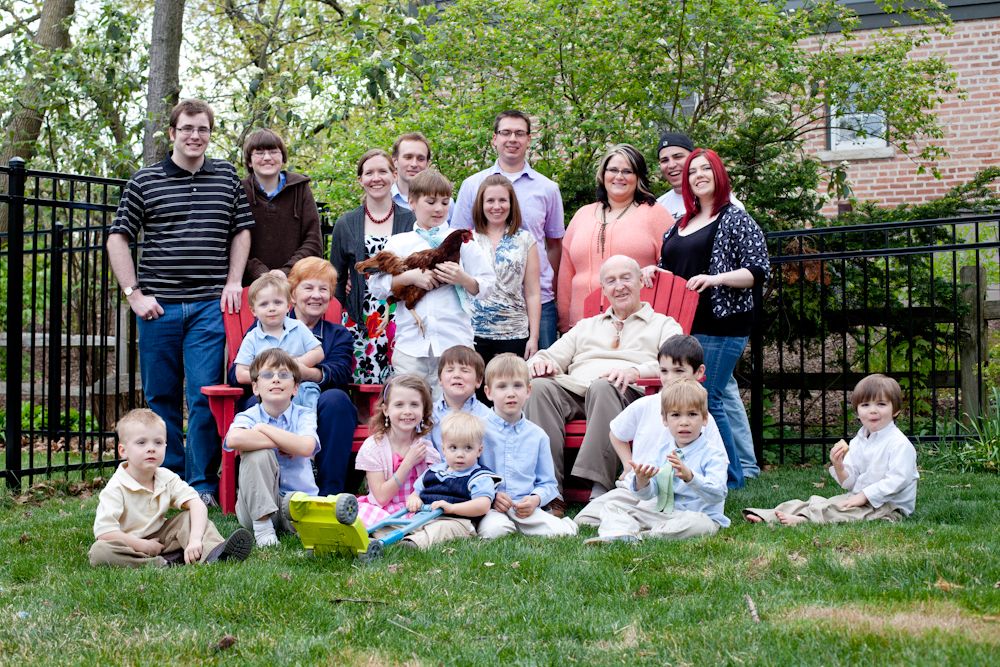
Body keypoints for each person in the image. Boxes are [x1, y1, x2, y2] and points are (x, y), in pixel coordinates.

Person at [106, 98, 255, 506]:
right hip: (159, 308)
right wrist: (133, 294)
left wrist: (234, 281)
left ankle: (201, 485)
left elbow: (241, 230)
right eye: (187, 128)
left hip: (210, 306)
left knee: (205, 397)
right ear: (172, 133)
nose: (195, 136)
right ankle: (166, 481)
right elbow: (118, 237)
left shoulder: (225, 177)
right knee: (161, 397)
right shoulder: (145, 181)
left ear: (210, 133)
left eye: (202, 129)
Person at [642, 148, 770, 489]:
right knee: (696, 399)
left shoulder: (735, 218)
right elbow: (676, 269)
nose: (698, 175)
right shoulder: (681, 224)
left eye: (706, 169)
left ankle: (730, 478)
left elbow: (758, 271)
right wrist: (656, 271)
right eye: (692, 171)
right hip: (685, 325)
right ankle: (711, 472)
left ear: (718, 175)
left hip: (721, 324)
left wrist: (716, 278)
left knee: (708, 398)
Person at [523, 255, 682, 515]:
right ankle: (550, 491)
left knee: (603, 385)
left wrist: (635, 371)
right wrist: (540, 363)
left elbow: (678, 362)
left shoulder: (662, 325)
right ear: (604, 289)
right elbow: (549, 355)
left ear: (641, 280)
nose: (619, 286)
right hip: (575, 390)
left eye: (626, 278)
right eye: (611, 281)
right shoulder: (586, 326)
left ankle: (598, 486)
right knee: (539, 388)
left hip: (626, 394)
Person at [574, 335, 727, 527]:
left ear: (699, 372)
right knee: (585, 520)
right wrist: (628, 465)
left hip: (684, 499)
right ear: (665, 419)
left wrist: (690, 477)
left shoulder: (703, 419)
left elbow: (717, 471)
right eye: (664, 371)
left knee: (693, 523)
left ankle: (636, 525)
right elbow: (616, 433)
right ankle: (636, 521)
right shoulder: (645, 405)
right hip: (641, 489)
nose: (670, 378)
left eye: (679, 371)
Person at [367, 169, 495, 398]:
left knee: (454, 410)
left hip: (454, 341)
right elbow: (376, 287)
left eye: (445, 202)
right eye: (431, 201)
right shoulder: (399, 242)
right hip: (411, 346)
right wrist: (409, 278)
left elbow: (488, 285)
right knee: (411, 405)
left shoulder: (462, 240)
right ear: (412, 202)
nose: (439, 209)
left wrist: (463, 279)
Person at [452, 110, 564, 350]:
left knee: (538, 377)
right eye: (506, 133)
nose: (512, 138)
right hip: (481, 305)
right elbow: (456, 242)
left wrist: (548, 285)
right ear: (494, 139)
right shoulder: (472, 186)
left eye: (519, 133)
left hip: (538, 300)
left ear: (529, 139)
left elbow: (554, 245)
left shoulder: (548, 189)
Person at [744, 374, 918, 525]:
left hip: (889, 506)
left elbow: (897, 480)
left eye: (881, 404)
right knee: (818, 502)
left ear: (895, 410)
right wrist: (839, 466)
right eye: (865, 405)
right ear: (857, 411)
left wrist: (864, 495)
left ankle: (805, 522)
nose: (872, 411)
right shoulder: (859, 441)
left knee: (841, 511)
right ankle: (769, 514)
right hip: (860, 498)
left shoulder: (899, 444)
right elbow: (849, 483)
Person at [89, 409, 253, 567]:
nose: (151, 448)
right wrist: (142, 545)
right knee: (100, 551)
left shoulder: (166, 477)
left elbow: (197, 504)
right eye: (141, 442)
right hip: (129, 545)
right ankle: (159, 564)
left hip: (162, 539)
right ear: (123, 451)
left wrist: (195, 539)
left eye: (158, 442)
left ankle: (214, 552)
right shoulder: (116, 487)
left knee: (189, 518)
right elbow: (105, 533)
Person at [583, 380, 729, 544]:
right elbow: (649, 494)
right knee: (613, 507)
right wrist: (642, 482)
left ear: (704, 419)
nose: (684, 422)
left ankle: (644, 535)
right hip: (663, 513)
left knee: (700, 525)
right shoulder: (662, 451)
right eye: (675, 415)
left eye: (692, 414)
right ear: (665, 420)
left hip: (697, 515)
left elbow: (718, 493)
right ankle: (620, 533)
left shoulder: (713, 454)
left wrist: (691, 478)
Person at [557, 144, 672, 332]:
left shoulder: (655, 214)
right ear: (603, 174)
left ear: (638, 178)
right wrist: (564, 322)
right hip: (581, 326)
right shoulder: (582, 215)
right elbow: (566, 274)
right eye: (613, 170)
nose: (619, 177)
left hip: (636, 326)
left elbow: (675, 266)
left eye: (627, 171)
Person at [330, 149, 416, 384]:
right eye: (369, 173)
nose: (376, 178)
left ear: (394, 174)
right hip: (359, 318)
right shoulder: (346, 223)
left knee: (403, 386)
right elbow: (335, 276)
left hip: (401, 318)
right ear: (360, 180)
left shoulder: (411, 220)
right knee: (361, 388)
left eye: (382, 171)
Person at [224, 349, 321, 547]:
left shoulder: (304, 414)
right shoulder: (249, 415)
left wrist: (264, 429)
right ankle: (263, 529)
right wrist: (283, 442)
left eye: (284, 375)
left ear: (295, 388)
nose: (276, 379)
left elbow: (306, 447)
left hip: (293, 501)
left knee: (305, 510)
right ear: (256, 388)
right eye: (267, 375)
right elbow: (233, 439)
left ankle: (287, 525)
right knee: (258, 454)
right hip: (253, 508)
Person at [478, 354, 578, 539]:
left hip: (525, 508)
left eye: (517, 385)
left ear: (528, 390)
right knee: (496, 531)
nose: (511, 393)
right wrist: (491, 495)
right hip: (492, 507)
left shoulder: (538, 436)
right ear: (488, 392)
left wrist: (535, 499)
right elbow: (468, 474)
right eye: (502, 386)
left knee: (563, 533)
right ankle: (503, 525)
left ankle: (548, 522)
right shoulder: (478, 431)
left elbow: (548, 483)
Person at [285, 257, 358, 495]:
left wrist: (299, 371)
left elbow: (340, 371)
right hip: (277, 401)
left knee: (337, 400)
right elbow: (240, 370)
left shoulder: (338, 335)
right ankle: (272, 492)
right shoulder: (268, 325)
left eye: (323, 289)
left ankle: (329, 495)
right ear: (293, 294)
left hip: (322, 404)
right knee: (257, 404)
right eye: (308, 287)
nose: (316, 295)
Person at [470, 174, 541, 366]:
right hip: (474, 332)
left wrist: (533, 337)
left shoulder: (525, 240)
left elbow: (533, 292)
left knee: (509, 392)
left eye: (503, 200)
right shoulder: (468, 239)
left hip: (514, 332)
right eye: (490, 200)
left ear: (511, 204)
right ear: (481, 204)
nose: (496, 206)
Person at [354, 374, 440, 527]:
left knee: (437, 520)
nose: (407, 411)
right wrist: (408, 463)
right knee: (366, 517)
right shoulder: (374, 447)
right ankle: (397, 530)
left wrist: (417, 496)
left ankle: (402, 531)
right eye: (399, 405)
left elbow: (432, 489)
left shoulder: (425, 449)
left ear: (423, 409)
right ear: (386, 410)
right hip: (382, 509)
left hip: (414, 508)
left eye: (414, 405)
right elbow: (381, 497)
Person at [402, 412, 498, 549]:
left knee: (441, 529)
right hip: (425, 517)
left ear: (479, 450)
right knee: (403, 523)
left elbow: (483, 505)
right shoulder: (432, 471)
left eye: (468, 448)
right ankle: (379, 535)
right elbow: (416, 491)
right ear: (443, 449)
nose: (460, 454)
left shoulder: (480, 477)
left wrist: (452, 508)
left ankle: (413, 543)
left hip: (458, 522)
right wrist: (414, 498)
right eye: (453, 448)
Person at [240, 128, 323, 285]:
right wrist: (261, 273)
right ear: (249, 161)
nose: (267, 157)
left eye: (273, 151)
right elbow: (233, 242)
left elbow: (313, 240)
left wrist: (286, 271)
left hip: (295, 284)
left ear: (283, 158)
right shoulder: (239, 191)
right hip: (251, 287)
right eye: (259, 152)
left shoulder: (301, 189)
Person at [233, 273, 323, 410]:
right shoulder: (252, 338)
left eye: (277, 302)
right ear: (253, 311)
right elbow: (240, 374)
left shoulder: (298, 327)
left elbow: (318, 352)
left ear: (288, 306)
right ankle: (273, 431)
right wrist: (268, 373)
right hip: (268, 392)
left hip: (299, 387)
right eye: (264, 304)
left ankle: (305, 429)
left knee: (309, 394)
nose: (271, 308)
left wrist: (294, 365)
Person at [428, 345, 492, 452]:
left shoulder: (487, 417)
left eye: (465, 370)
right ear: (440, 379)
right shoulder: (429, 415)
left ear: (478, 381)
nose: (456, 375)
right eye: (450, 370)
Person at [390, 132, 455, 221]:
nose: (414, 164)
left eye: (420, 159)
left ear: (427, 164)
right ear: (395, 161)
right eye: (408, 157)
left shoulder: (446, 204)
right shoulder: (384, 200)